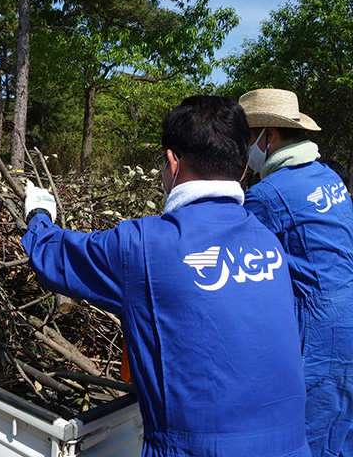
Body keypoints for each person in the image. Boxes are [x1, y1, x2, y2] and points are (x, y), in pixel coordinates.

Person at [22, 95, 310, 456]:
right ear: (241, 171)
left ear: (172, 163)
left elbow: (53, 257)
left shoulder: (144, 245)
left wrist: (39, 214)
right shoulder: (268, 242)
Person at [239, 88, 353, 456]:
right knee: (344, 428)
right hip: (348, 310)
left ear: (267, 136)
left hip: (321, 331)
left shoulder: (268, 196)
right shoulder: (328, 177)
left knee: (308, 436)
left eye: (246, 137)